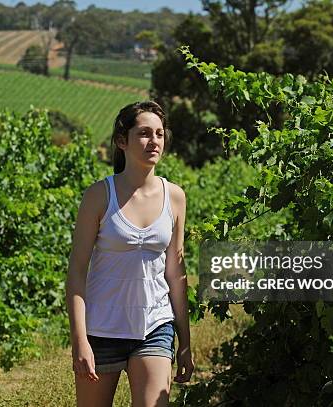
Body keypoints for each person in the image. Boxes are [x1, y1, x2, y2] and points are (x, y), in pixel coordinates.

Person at [65, 101, 195, 406]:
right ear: (122, 141)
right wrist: (79, 340)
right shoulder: (98, 196)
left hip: (154, 326)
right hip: (101, 328)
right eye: (144, 133)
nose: (154, 142)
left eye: (160, 134)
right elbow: (76, 273)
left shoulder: (175, 197)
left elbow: (176, 274)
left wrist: (186, 341)